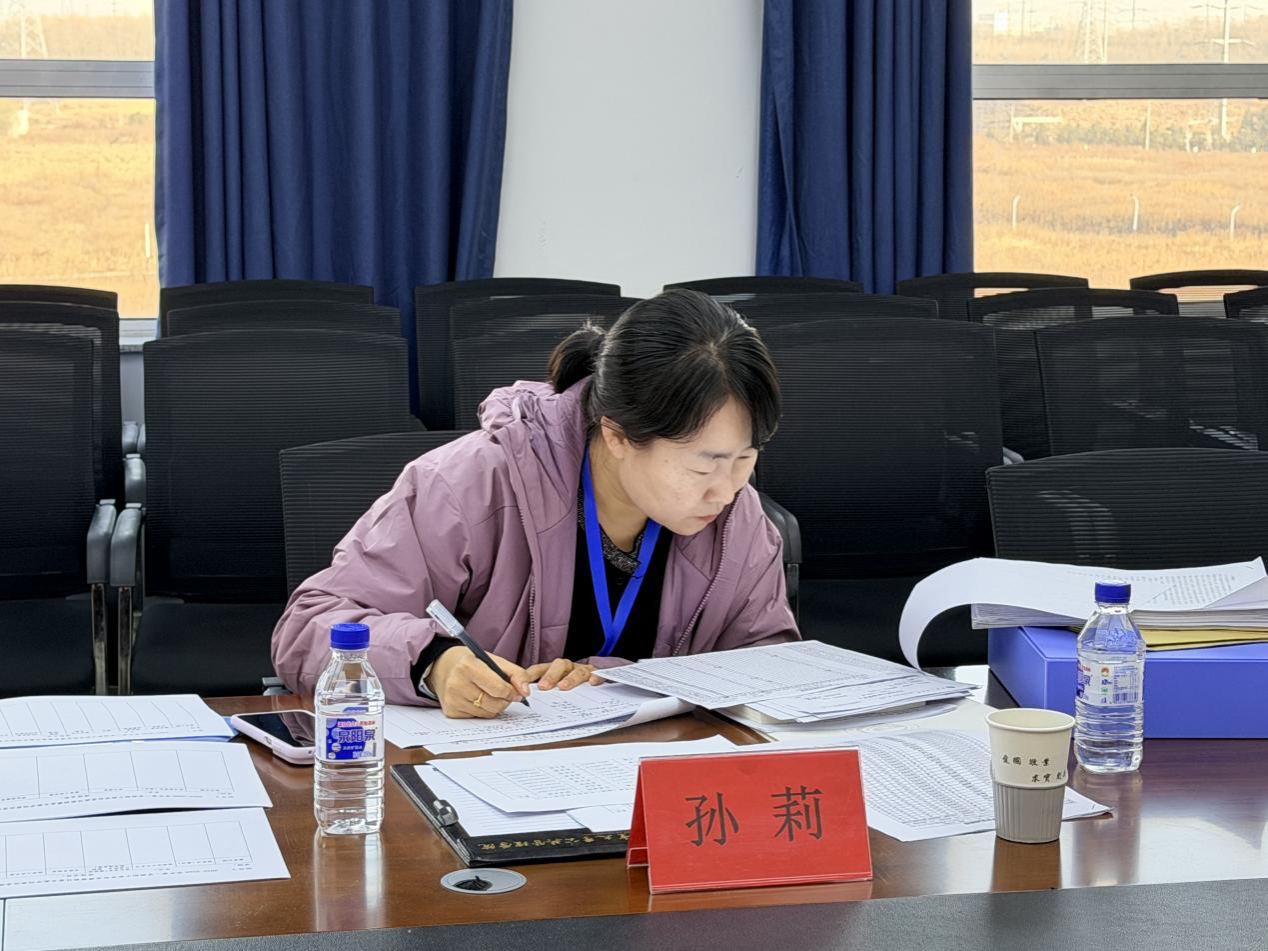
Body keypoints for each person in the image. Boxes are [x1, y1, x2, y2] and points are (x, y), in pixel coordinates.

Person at [271, 289, 798, 717]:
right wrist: (432, 663)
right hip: (481, 776)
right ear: (617, 435)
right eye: (703, 466)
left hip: (650, 780)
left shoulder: (739, 518)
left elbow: (772, 666)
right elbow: (307, 629)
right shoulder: (468, 485)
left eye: (745, 459)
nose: (726, 490)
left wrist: (616, 679)